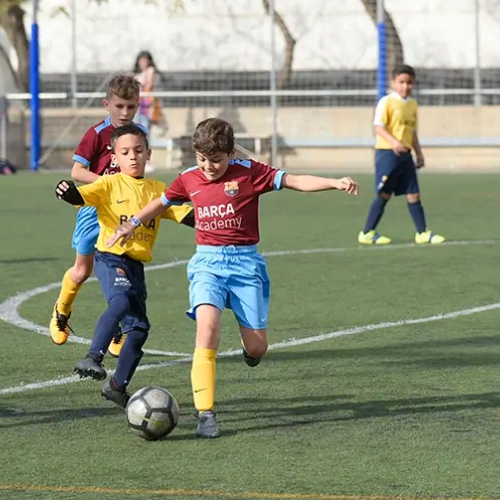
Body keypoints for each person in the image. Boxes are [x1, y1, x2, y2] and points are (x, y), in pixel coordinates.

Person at [107, 117, 359, 438]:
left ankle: (248, 347)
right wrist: (133, 223)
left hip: (245, 266)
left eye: (216, 159)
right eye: (202, 159)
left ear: (230, 154)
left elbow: (295, 180)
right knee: (207, 329)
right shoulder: (189, 179)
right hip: (207, 265)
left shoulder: (250, 173)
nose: (208, 166)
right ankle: (206, 413)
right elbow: (162, 202)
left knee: (257, 349)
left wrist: (334, 182)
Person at [54, 124, 194, 407]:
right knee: (119, 302)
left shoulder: (158, 191)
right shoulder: (109, 184)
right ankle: (93, 357)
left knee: (139, 329)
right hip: (109, 258)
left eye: (139, 151)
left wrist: (212, 212)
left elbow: (185, 215)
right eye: (125, 152)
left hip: (136, 268)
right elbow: (80, 196)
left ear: (149, 154)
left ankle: (117, 386)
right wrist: (67, 191)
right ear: (114, 158)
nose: (133, 157)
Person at [50, 74, 145, 358]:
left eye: (131, 106)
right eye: (119, 106)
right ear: (107, 104)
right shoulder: (96, 134)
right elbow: (76, 172)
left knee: (120, 272)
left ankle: (117, 328)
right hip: (93, 210)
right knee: (82, 271)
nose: (125, 112)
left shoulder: (136, 134)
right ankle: (61, 310)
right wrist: (108, 185)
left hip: (122, 213)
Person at [357, 64, 445, 246]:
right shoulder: (386, 102)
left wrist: (419, 153)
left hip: (405, 155)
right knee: (384, 194)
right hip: (387, 153)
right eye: (402, 82)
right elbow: (378, 127)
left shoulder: (412, 104)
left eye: (409, 82)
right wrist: (394, 142)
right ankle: (366, 233)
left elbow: (411, 132)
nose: (405, 86)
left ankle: (422, 233)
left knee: (414, 194)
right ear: (393, 83)